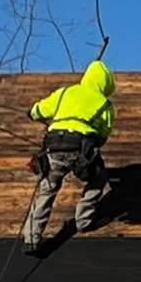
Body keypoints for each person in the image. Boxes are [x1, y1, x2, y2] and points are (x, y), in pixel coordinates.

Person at [23, 60, 116, 253]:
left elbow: (40, 109)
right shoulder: (105, 104)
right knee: (99, 178)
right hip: (80, 150)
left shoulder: (66, 92)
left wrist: (32, 113)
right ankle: (84, 219)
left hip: (53, 147)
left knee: (47, 189)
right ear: (105, 84)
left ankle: (31, 237)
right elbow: (102, 136)